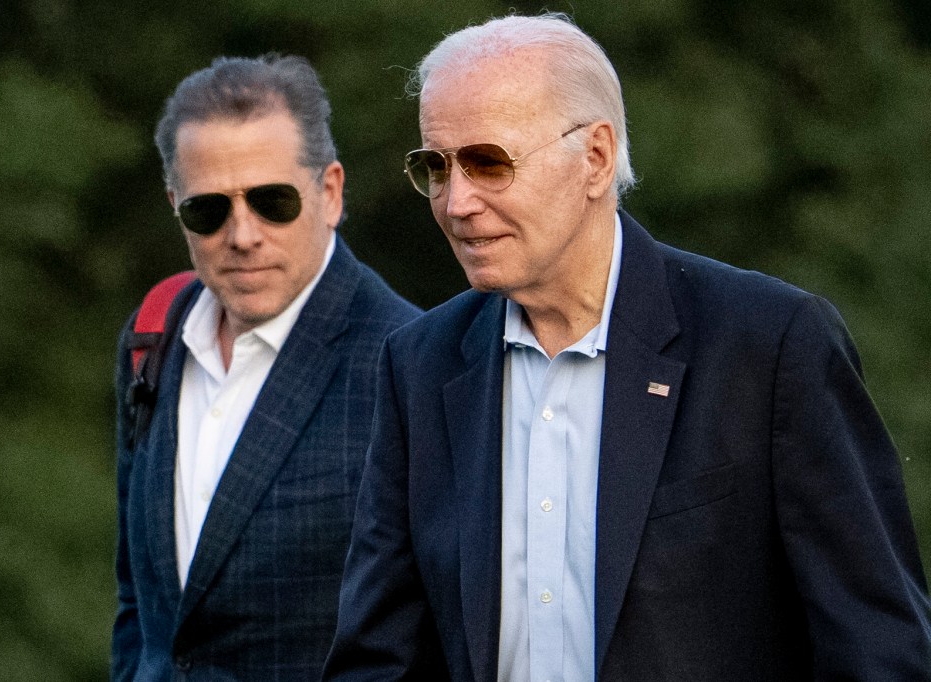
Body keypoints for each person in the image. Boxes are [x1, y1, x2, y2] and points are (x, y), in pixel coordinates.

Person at [324, 13, 931, 681]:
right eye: (435, 166)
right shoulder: (420, 363)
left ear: (596, 157)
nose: (457, 201)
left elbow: (877, 648)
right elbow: (380, 659)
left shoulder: (770, 345)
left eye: (488, 163)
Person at [110, 54, 419, 680]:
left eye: (273, 201)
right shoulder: (152, 336)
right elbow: (140, 602)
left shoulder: (408, 360)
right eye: (208, 210)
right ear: (176, 204)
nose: (243, 234)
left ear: (329, 193)